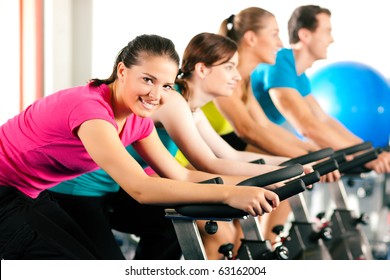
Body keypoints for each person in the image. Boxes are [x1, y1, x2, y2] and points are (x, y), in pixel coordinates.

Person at [0, 34, 282, 260]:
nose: (156, 95)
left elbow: (180, 174)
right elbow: (140, 188)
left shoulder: (138, 119)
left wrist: (254, 185)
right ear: (122, 71)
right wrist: (228, 194)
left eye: (166, 86)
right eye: (148, 80)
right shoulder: (91, 111)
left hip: (30, 193)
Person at [200, 7, 340, 243]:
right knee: (226, 237)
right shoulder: (224, 77)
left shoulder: (241, 81)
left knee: (245, 235)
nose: (280, 42)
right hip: (199, 161)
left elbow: (264, 125)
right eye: (274, 34)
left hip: (222, 155)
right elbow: (249, 131)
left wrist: (310, 154)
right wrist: (307, 158)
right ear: (252, 38)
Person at [250, 4, 390, 174]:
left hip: (261, 144)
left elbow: (323, 119)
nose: (331, 39)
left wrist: (369, 152)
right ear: (305, 35)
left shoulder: (298, 76)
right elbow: (307, 126)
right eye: (326, 31)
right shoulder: (279, 62)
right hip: (240, 144)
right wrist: (364, 157)